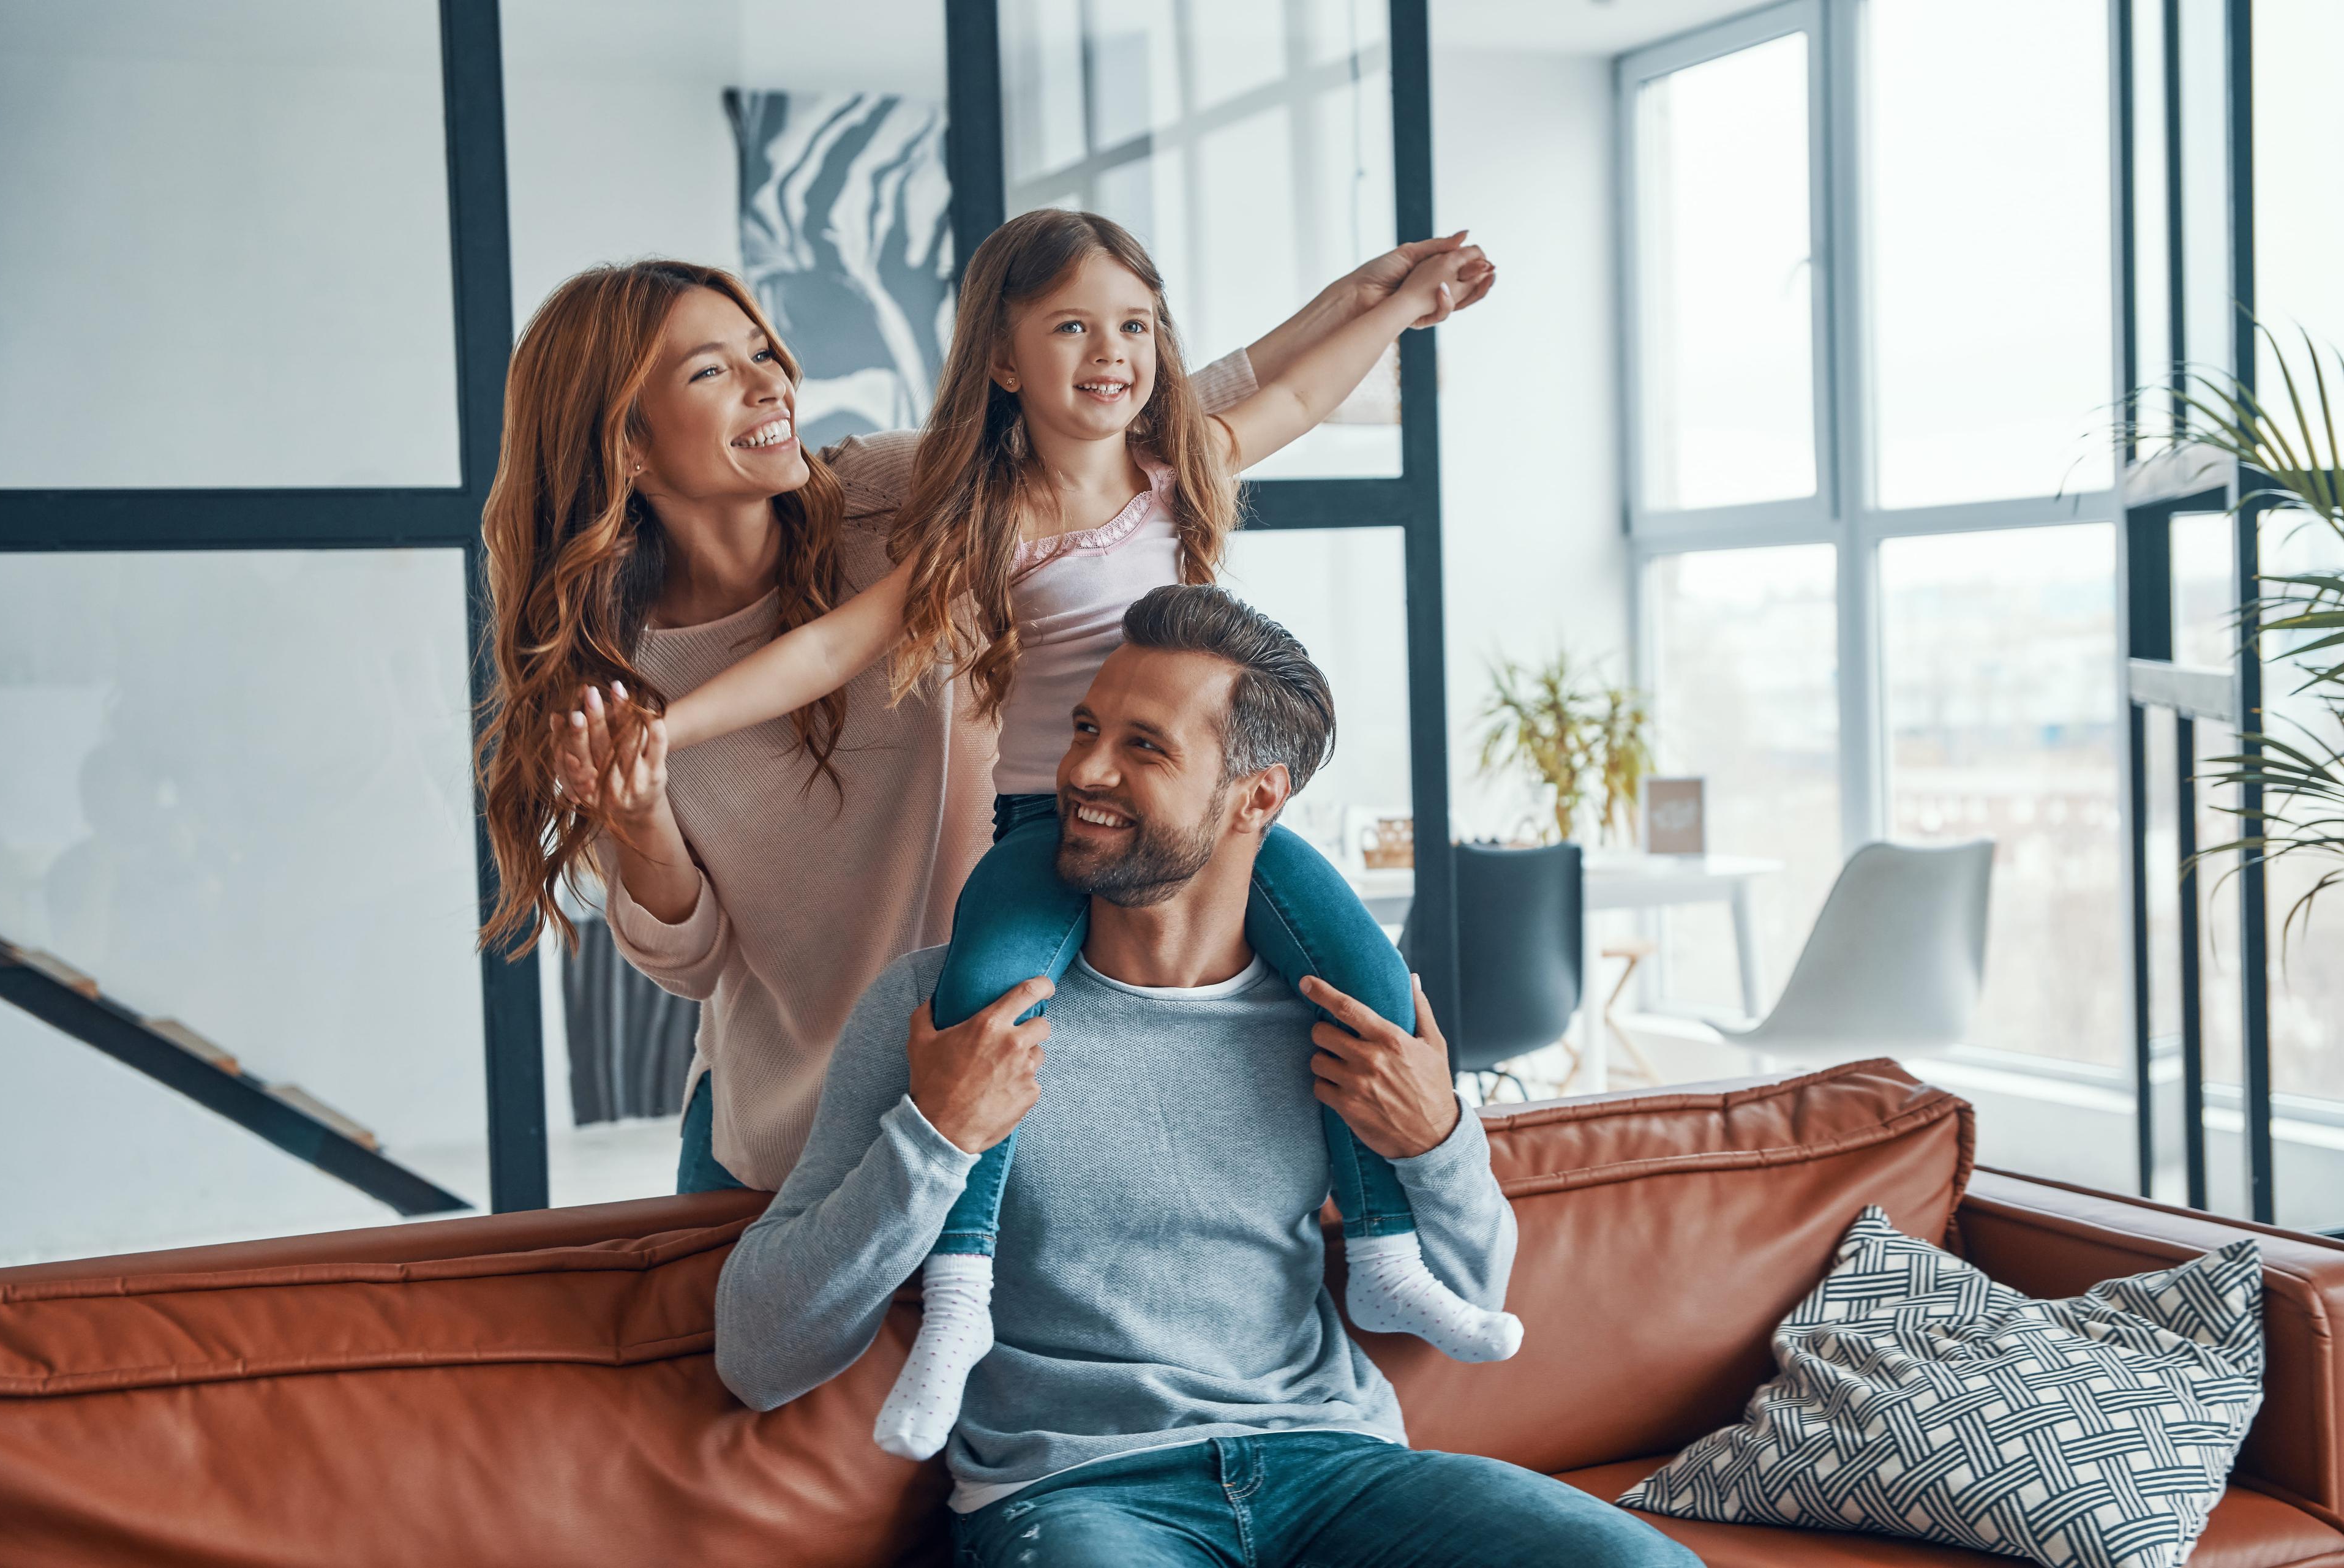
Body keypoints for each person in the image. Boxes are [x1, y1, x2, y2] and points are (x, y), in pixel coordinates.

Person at [603, 211, 1514, 1460]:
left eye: (1135, 327)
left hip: (1182, 826)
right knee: (986, 1019)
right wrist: (665, 730)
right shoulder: (986, 513)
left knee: (1363, 979)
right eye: (1073, 328)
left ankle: (1395, 1256)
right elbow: (834, 645)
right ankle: (962, 1305)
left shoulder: (1173, 462)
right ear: (1002, 360)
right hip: (1042, 828)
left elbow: (1287, 384)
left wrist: (1387, 304)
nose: (1111, 354)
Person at [478, 236, 1493, 1196]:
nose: (769, 384)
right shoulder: (618, 687)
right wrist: (641, 807)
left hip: (1009, 1078)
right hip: (790, 1132)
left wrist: (1355, 306)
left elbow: (1120, 439)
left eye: (762, 350)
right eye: (712, 372)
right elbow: (689, 961)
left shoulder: (894, 495)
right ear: (628, 444)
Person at [713, 587, 1698, 1568]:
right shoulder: (943, 1012)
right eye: (1087, 728)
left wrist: (1438, 1137)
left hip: (1335, 1465)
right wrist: (935, 1137)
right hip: (1075, 1489)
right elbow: (759, 1353)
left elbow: (1471, 1290)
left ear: (1257, 797)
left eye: (1145, 746)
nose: (1084, 770)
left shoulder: (1337, 1017)